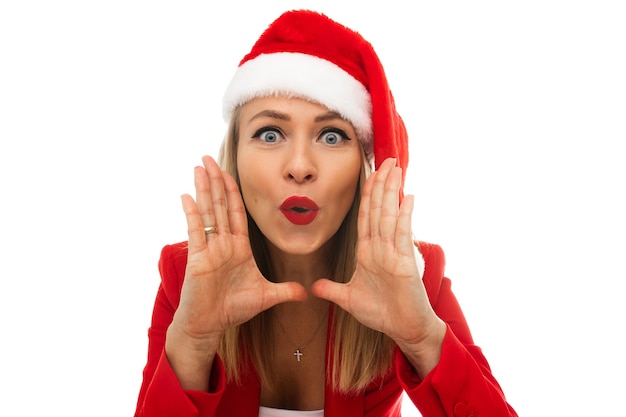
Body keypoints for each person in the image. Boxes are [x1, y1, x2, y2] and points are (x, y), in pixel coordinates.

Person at [134, 9, 517, 417]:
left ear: (362, 167)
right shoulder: (187, 275)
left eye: (331, 135)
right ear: (237, 158)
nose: (300, 166)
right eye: (270, 133)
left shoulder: (411, 276)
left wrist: (422, 337)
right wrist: (193, 341)